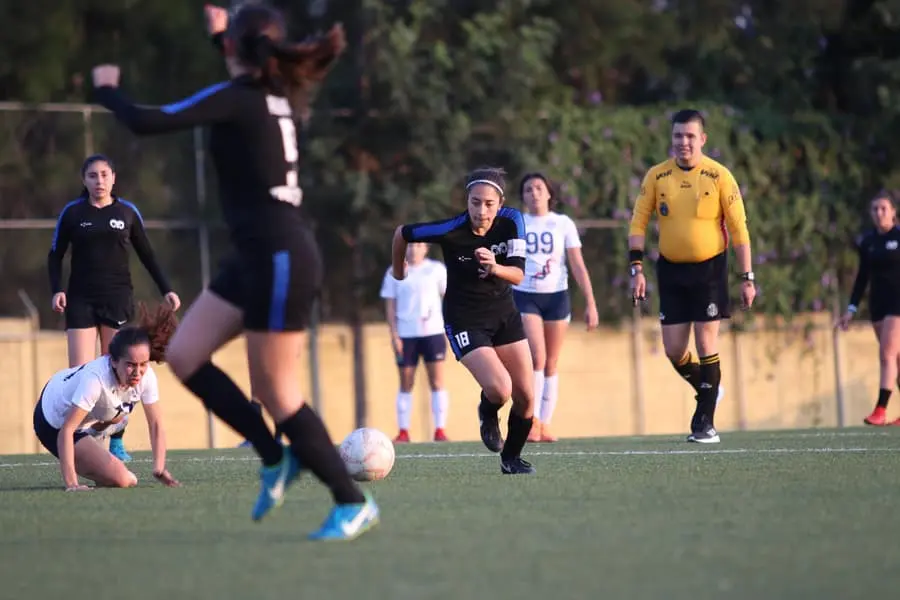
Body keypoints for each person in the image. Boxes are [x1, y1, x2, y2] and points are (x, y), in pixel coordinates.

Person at [90, 2, 378, 541]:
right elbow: (239, 70)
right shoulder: (272, 94)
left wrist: (106, 88)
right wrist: (224, 36)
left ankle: (352, 500)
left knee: (279, 393)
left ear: (233, 52)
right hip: (255, 256)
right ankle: (275, 457)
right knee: (183, 353)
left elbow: (149, 121)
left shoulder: (241, 99)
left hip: (281, 257)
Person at [391, 167, 536, 474]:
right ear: (467, 200)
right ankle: (487, 411)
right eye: (474, 202)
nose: (480, 211)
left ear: (500, 203)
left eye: (488, 204)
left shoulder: (513, 222)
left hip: (504, 315)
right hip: (465, 319)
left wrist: (495, 267)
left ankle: (511, 460)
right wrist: (399, 272)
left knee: (527, 398)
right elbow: (402, 233)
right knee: (501, 389)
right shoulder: (451, 229)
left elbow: (519, 274)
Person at [628, 109, 756, 444]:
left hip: (710, 269)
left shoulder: (719, 176)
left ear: (702, 139)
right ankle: (710, 387)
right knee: (674, 350)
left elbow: (740, 229)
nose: (683, 142)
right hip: (671, 270)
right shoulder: (657, 177)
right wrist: (636, 269)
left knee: (705, 342)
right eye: (677, 136)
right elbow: (638, 223)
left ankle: (705, 423)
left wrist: (747, 276)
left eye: (689, 136)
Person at [47, 154, 181, 463]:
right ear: (84, 180)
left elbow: (148, 255)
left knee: (121, 372)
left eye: (104, 175)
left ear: (113, 178)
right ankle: (80, 444)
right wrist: (57, 291)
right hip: (80, 299)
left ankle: (116, 439)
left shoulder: (127, 212)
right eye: (92, 176)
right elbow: (55, 255)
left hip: (117, 299)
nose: (99, 181)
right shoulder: (72, 213)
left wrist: (168, 290)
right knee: (80, 375)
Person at [33, 302, 181, 491]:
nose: (137, 372)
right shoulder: (96, 379)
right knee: (126, 480)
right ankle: (103, 429)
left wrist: (160, 468)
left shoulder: (147, 376)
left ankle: (106, 426)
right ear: (113, 360)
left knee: (117, 413)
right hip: (53, 421)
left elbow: (156, 424)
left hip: (95, 413)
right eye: (130, 364)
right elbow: (67, 430)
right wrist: (72, 484)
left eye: (143, 364)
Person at [512, 172, 599, 443]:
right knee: (536, 358)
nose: (534, 193)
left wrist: (591, 303)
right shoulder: (518, 223)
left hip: (556, 297)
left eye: (539, 188)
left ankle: (545, 423)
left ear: (549, 193)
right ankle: (532, 420)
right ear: (523, 196)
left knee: (551, 362)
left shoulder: (562, 223)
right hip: (525, 295)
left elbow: (577, 265)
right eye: (528, 189)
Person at [837, 193, 900, 426]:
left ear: (894, 211)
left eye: (884, 208)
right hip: (878, 305)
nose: (879, 213)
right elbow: (862, 277)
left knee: (887, 354)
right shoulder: (868, 242)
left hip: (898, 304)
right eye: (875, 209)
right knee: (896, 360)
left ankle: (880, 410)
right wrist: (851, 309)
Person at [380, 242, 451, 442]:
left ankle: (440, 430)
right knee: (406, 383)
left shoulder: (436, 270)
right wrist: (394, 336)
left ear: (426, 248)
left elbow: (449, 298)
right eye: (410, 245)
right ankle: (403, 431)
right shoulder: (394, 272)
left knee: (437, 381)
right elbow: (390, 307)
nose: (413, 249)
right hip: (406, 335)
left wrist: (449, 326)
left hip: (433, 333)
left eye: (418, 245)